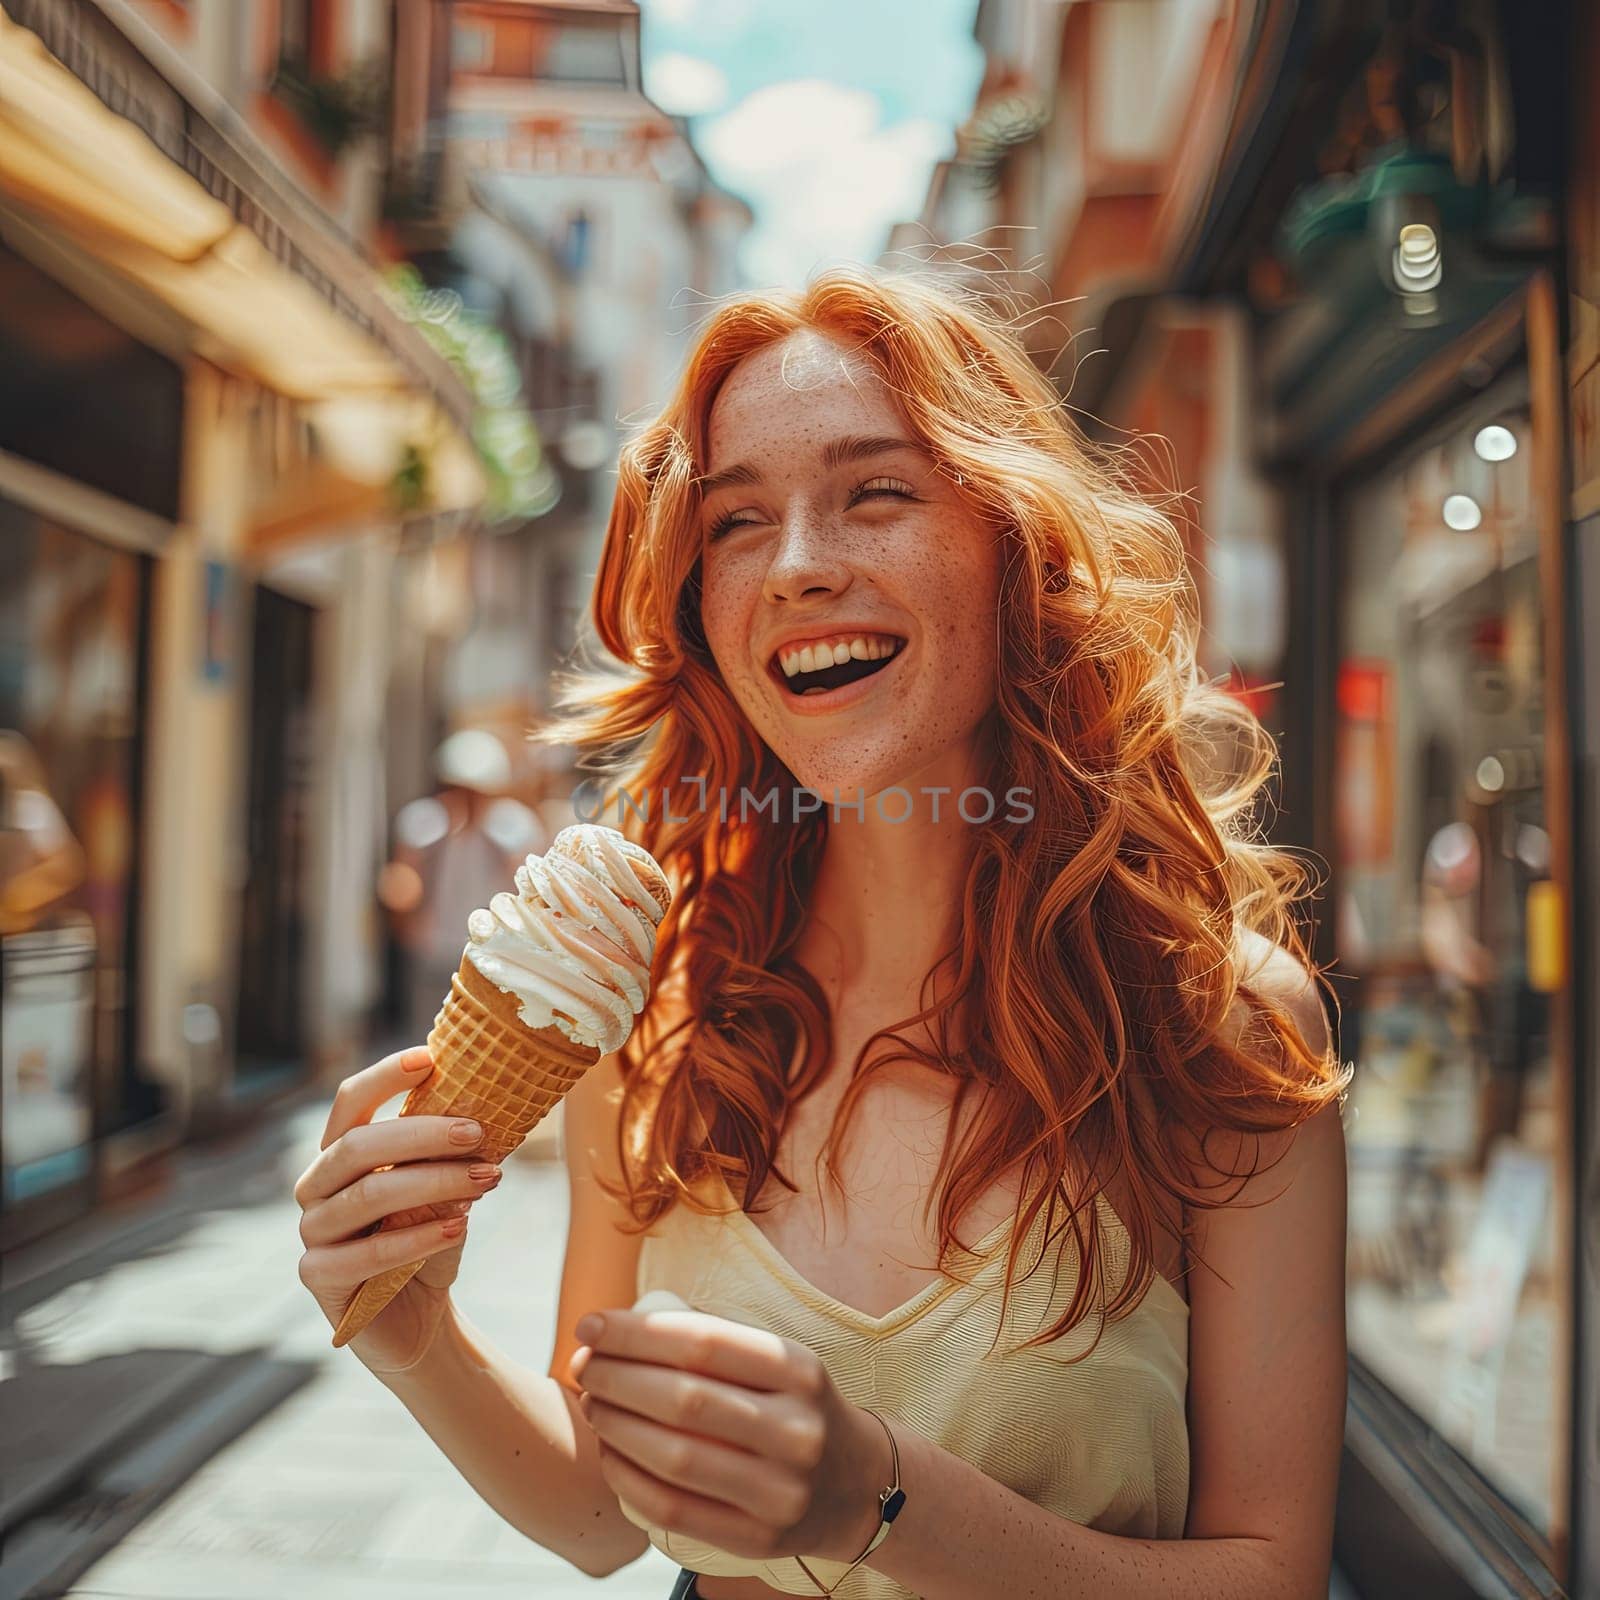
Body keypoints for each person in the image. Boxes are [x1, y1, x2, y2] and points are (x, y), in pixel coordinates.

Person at [296, 264, 1352, 1599]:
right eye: (737, 523)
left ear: (1016, 546)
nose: (798, 567)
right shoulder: (661, 1014)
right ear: (702, 606)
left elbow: (1273, 1573)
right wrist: (408, 1326)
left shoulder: (1218, 1023)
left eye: (878, 492)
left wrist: (879, 1500)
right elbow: (602, 1512)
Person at [377, 728, 549, 1041]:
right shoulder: (424, 821)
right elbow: (404, 878)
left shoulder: (514, 825)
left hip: (492, 952)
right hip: (433, 946)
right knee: (427, 1035)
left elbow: (527, 889)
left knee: (481, 1037)